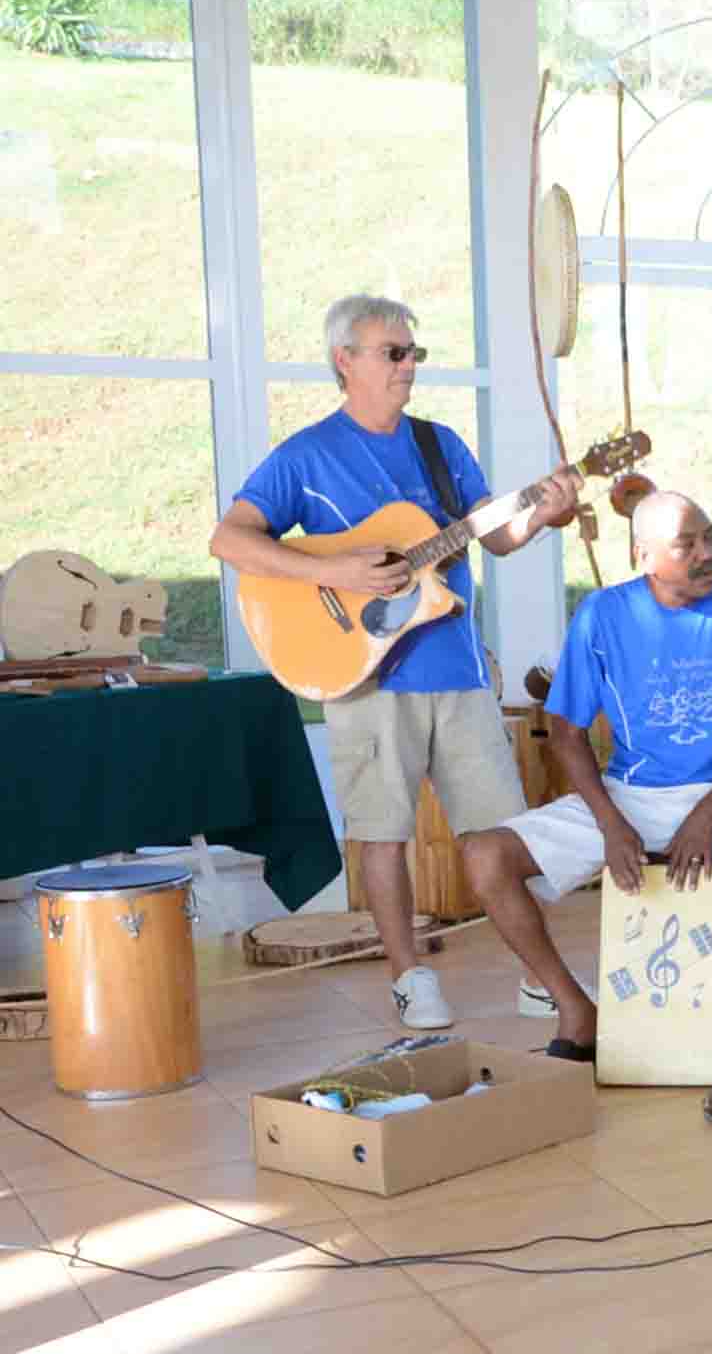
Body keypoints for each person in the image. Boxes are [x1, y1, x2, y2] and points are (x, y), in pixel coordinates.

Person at [211, 293, 580, 1031]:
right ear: (345, 361)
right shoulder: (306, 455)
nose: (409, 365)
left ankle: (541, 979)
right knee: (383, 834)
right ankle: (410, 978)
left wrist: (544, 514)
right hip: (365, 674)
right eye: (394, 353)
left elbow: (494, 537)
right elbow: (231, 540)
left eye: (414, 353)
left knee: (502, 835)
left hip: (459, 671)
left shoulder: (441, 447)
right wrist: (335, 571)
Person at [460, 493, 712, 1060]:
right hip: (630, 794)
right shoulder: (601, 614)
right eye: (686, 544)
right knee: (485, 858)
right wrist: (610, 824)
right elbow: (567, 733)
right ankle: (576, 1012)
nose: (707, 553)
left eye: (711, 537)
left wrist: (709, 811)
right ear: (643, 556)